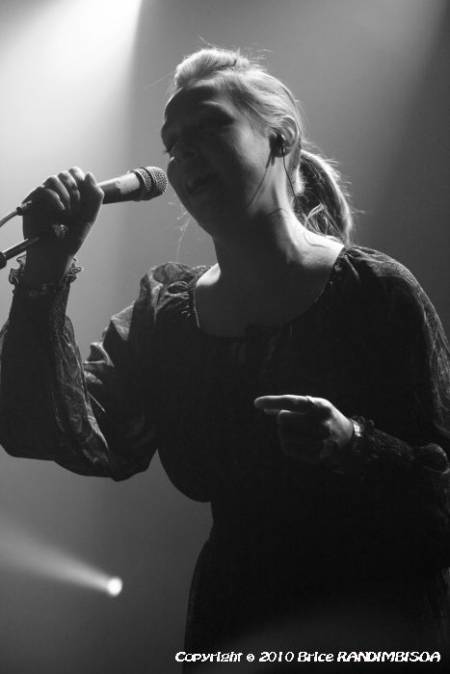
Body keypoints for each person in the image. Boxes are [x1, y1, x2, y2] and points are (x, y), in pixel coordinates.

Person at [0, 47, 449, 671]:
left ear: (279, 138)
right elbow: (45, 428)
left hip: (370, 626)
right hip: (235, 626)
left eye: (208, 127)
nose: (183, 154)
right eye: (172, 144)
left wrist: (354, 443)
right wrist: (48, 266)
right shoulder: (167, 315)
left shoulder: (376, 292)